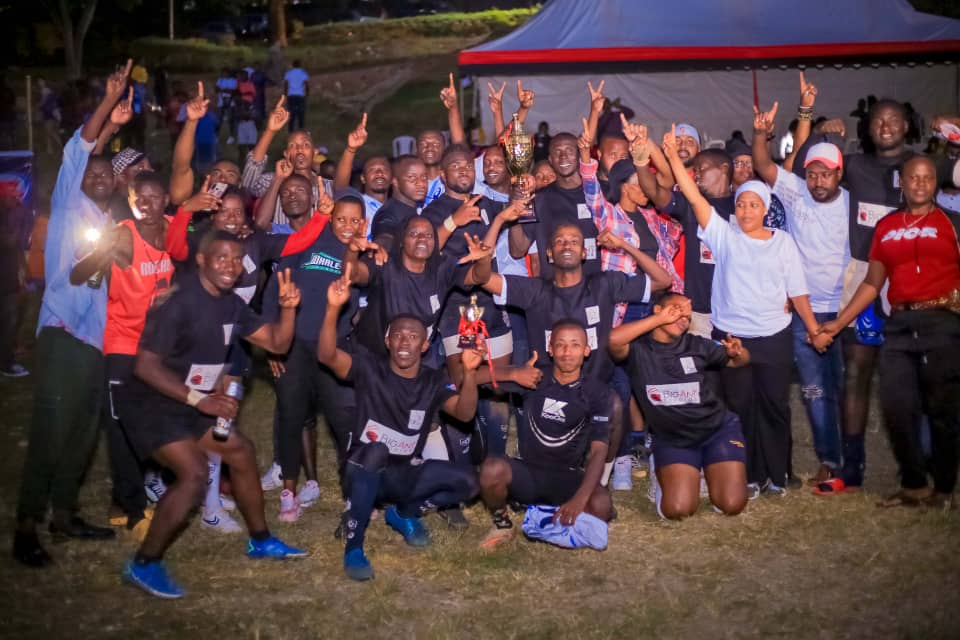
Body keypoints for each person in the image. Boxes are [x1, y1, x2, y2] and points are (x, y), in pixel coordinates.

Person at [117, 231, 306, 598]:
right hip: (151, 402)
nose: (231, 266)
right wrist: (198, 399)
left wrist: (288, 308)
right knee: (195, 473)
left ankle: (261, 541)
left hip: (191, 400)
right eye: (221, 258)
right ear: (201, 260)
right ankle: (143, 564)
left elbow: (278, 343)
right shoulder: (179, 302)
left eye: (237, 260)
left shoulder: (232, 304)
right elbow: (144, 365)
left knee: (241, 451)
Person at [12, 59, 133, 568]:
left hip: (95, 339)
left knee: (85, 430)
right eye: (94, 172)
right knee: (51, 429)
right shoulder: (67, 202)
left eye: (109, 174)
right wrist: (106, 104)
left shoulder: (106, 217)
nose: (101, 178)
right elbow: (82, 149)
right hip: (62, 331)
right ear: (80, 176)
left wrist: (115, 130)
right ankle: (25, 526)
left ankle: (64, 514)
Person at [662, 124, 821, 498]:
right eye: (741, 204)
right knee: (740, 407)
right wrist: (671, 156)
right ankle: (749, 474)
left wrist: (814, 329)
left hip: (774, 337)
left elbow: (798, 292)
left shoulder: (782, 242)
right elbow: (694, 197)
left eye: (754, 204)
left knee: (775, 406)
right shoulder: (723, 236)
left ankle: (778, 474)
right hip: (731, 336)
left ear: (765, 209)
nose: (746, 209)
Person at [318, 267, 482, 581]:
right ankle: (354, 546)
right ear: (387, 340)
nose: (405, 341)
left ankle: (403, 513)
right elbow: (327, 356)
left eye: (413, 336)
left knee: (468, 482)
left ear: (424, 344)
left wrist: (471, 374)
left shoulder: (434, 380)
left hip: (401, 474)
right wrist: (332, 309)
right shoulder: (368, 367)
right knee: (376, 450)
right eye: (399, 335)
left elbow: (463, 414)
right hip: (362, 469)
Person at [815, 156, 960, 508]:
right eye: (914, 177)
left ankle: (943, 488)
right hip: (898, 323)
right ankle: (913, 485)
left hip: (943, 321)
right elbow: (871, 282)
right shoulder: (887, 225)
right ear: (903, 182)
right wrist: (839, 321)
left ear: (935, 183)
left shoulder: (952, 222)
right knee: (897, 406)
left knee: (943, 408)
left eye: (927, 178)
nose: (921, 184)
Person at [793, 97, 919, 491]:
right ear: (868, 128)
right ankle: (852, 467)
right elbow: (807, 171)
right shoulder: (857, 166)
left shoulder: (921, 167)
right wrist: (814, 125)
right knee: (856, 377)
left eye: (894, 120)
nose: (885, 126)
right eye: (878, 120)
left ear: (908, 126)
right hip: (863, 281)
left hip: (908, 284)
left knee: (914, 379)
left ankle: (922, 467)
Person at [752, 90, 851, 489]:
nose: (818, 179)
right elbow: (762, 164)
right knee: (813, 391)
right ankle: (830, 460)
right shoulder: (794, 193)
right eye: (812, 172)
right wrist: (762, 134)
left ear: (839, 174)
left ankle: (851, 458)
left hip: (846, 311)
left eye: (826, 172)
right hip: (803, 311)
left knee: (845, 388)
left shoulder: (851, 200)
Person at [262, 190, 363, 521]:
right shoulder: (306, 242)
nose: (346, 226)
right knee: (291, 418)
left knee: (344, 420)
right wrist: (272, 341)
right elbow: (275, 289)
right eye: (341, 219)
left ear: (363, 223)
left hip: (334, 349)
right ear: (331, 218)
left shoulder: (360, 257)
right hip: (295, 346)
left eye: (354, 220)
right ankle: (289, 493)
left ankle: (353, 492)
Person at [609, 293, 750, 519]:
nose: (682, 317)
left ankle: (706, 469)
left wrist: (739, 352)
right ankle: (665, 470)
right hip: (674, 437)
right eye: (675, 310)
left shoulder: (695, 344)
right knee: (677, 510)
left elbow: (738, 361)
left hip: (716, 429)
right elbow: (612, 340)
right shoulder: (638, 349)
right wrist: (659, 320)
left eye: (686, 315)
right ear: (658, 310)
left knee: (731, 505)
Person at [479, 319, 613, 550]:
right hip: (530, 472)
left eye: (574, 345)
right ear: (550, 349)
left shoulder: (597, 391)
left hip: (567, 476)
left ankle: (544, 512)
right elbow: (470, 379)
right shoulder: (534, 376)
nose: (567, 352)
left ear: (586, 350)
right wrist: (512, 374)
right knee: (491, 469)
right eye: (560, 344)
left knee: (601, 505)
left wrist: (580, 498)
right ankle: (503, 523)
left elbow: (600, 449)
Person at [98, 171, 178, 541]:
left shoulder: (174, 230)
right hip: (123, 347)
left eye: (153, 197)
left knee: (157, 421)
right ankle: (130, 507)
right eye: (137, 198)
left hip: (158, 349)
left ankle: (146, 487)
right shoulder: (123, 235)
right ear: (129, 201)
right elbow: (83, 268)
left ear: (165, 199)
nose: (146, 205)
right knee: (121, 427)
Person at [243, 97, 332, 228]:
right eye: (293, 145)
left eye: (306, 145)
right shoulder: (272, 180)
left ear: (315, 152)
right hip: (283, 246)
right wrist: (270, 131)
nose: (299, 149)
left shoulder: (328, 186)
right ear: (286, 154)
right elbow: (248, 182)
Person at [168, 82, 242, 206]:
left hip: (210, 143)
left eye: (230, 175)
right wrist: (191, 121)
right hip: (197, 144)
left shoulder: (210, 112)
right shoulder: (194, 207)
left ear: (241, 183)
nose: (222, 179)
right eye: (216, 174)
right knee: (199, 164)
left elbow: (216, 126)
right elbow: (181, 167)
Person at [333, 113, 392, 235]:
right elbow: (340, 188)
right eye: (372, 170)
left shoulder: (398, 208)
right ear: (363, 178)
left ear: (392, 178)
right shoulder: (358, 204)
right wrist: (351, 149)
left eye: (384, 169)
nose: (379, 173)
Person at [368, 156, 427, 252]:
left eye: (424, 177)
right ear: (395, 181)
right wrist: (380, 248)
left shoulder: (412, 209)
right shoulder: (388, 213)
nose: (421, 183)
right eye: (412, 178)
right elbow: (385, 234)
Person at [283, 60, 309, 132]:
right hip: (300, 95)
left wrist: (285, 94)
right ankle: (301, 129)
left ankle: (291, 130)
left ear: (293, 65)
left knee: (291, 113)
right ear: (300, 65)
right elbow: (306, 84)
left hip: (291, 95)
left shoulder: (289, 73)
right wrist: (307, 94)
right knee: (301, 113)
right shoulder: (303, 73)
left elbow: (286, 84)